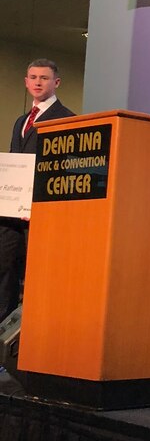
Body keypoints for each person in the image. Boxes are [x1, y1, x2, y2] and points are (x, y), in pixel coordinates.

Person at [2, 59, 75, 321]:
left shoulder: (67, 118)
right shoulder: (21, 120)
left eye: (44, 78)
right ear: (26, 81)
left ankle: (35, 330)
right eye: (33, 77)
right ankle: (4, 331)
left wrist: (38, 203)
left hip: (43, 211)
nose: (37, 82)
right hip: (12, 212)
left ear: (56, 83)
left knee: (39, 274)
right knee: (5, 268)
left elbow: (65, 169)